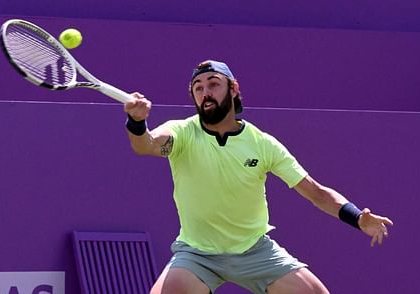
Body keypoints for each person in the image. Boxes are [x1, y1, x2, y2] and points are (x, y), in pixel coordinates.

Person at [124, 60, 393, 294]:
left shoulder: (262, 143)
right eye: (198, 88)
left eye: (213, 84)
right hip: (197, 253)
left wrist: (357, 217)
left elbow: (316, 193)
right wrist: (137, 123)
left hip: (255, 250)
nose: (206, 93)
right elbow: (146, 145)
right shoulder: (181, 132)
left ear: (234, 88)